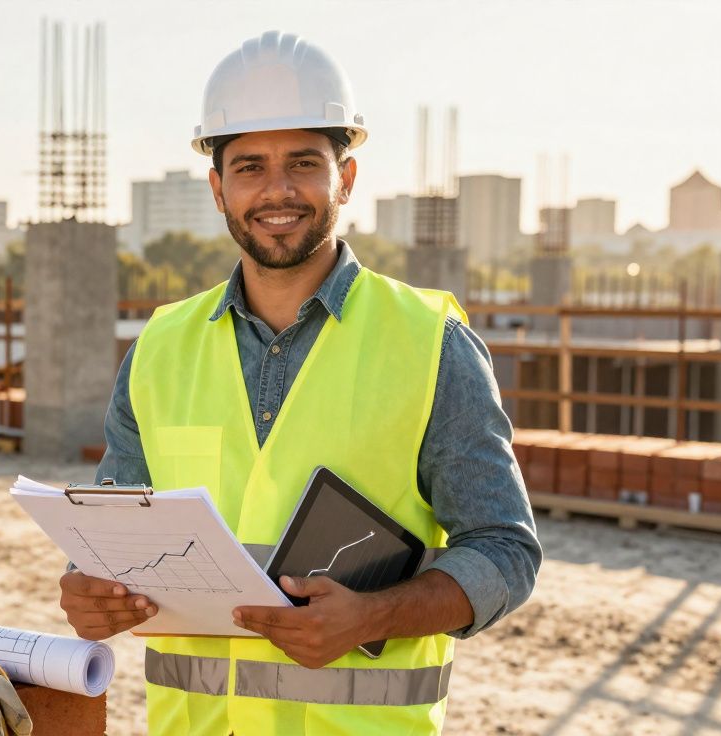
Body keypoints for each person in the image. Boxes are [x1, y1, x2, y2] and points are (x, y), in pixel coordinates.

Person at [57, 32, 541, 735]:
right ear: (218, 186)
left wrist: (375, 615)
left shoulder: (430, 343)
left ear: (345, 178)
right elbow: (108, 535)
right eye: (249, 166)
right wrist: (87, 589)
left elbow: (505, 548)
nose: (276, 190)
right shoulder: (159, 349)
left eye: (303, 164)